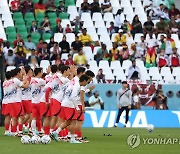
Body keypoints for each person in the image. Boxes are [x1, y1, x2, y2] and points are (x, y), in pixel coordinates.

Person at [51, 74, 90, 143]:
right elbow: (73, 97)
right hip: (69, 105)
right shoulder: (77, 86)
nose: (86, 84)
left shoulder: (75, 85)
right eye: (86, 82)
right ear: (84, 81)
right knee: (73, 121)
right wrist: (77, 107)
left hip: (65, 103)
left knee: (68, 121)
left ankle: (56, 132)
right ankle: (72, 139)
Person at [30, 67, 46, 135]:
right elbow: (48, 84)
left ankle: (33, 130)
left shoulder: (32, 80)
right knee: (40, 117)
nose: (42, 73)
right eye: (41, 72)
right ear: (39, 73)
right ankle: (40, 130)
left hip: (33, 101)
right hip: (39, 101)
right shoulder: (41, 81)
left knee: (34, 117)